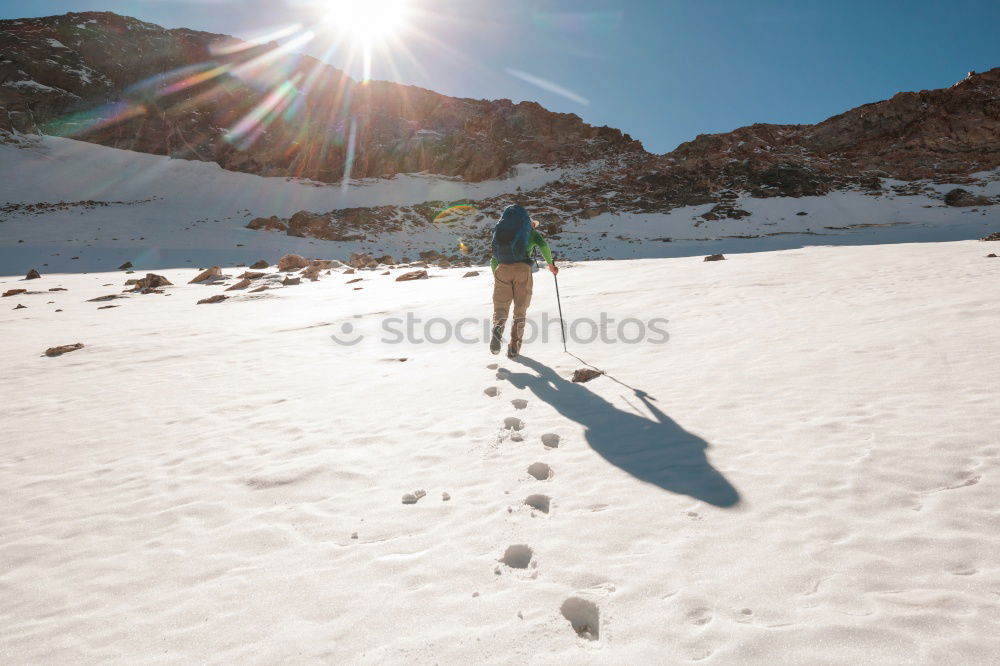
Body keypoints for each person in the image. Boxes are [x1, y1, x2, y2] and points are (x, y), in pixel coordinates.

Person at [489, 204, 558, 358]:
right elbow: (544, 246)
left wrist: (498, 276)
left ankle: (498, 326)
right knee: (520, 308)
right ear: (529, 224)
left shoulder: (501, 232)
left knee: (500, 306)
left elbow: (493, 259)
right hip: (522, 270)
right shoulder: (531, 233)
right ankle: (514, 347)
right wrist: (551, 265)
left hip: (502, 268)